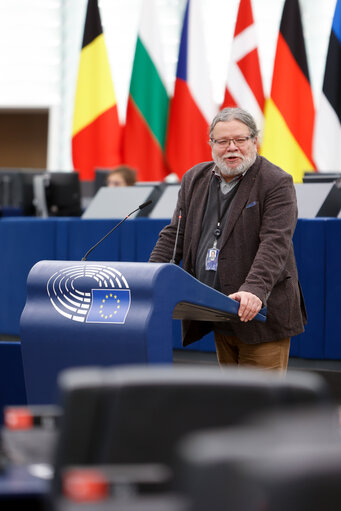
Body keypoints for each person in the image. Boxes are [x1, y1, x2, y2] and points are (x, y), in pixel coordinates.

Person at [149, 107, 307, 371]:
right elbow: (173, 235)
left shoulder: (276, 182)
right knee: (233, 399)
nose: (231, 148)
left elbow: (275, 244)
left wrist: (254, 290)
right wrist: (150, 276)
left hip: (259, 313)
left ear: (254, 141)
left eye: (240, 140)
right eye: (222, 141)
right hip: (219, 310)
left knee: (260, 404)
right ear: (211, 144)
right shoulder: (194, 179)